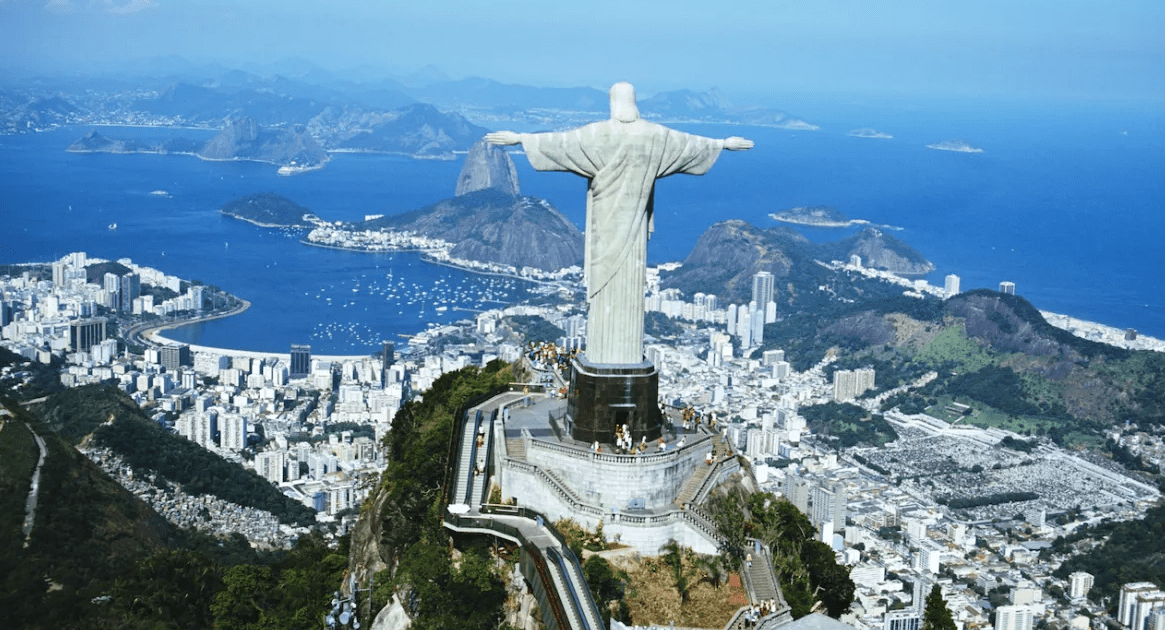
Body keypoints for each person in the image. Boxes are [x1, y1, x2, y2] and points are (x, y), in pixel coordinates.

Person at [486, 82, 752, 365]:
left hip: (604, 227)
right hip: (634, 229)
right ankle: (622, 360)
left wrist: (520, 138)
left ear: (612, 102)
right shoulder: (653, 135)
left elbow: (560, 143)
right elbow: (688, 144)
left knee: (605, 288)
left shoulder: (597, 133)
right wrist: (722, 144)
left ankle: (604, 359)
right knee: (628, 284)